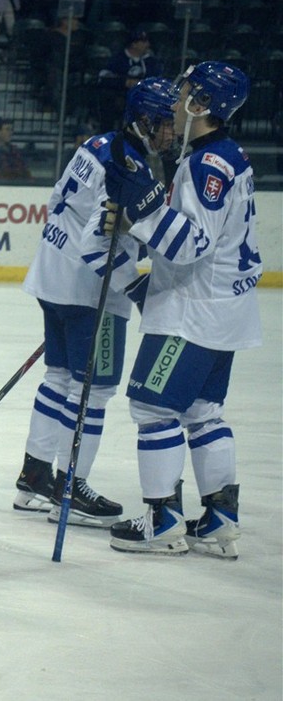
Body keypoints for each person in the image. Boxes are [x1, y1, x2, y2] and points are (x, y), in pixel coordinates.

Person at [106, 62, 257, 558]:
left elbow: (191, 243)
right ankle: (219, 516)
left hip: (192, 312)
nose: (174, 101)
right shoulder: (228, 156)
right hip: (225, 311)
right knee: (202, 412)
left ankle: (162, 519)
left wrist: (143, 208)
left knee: (152, 407)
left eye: (184, 93)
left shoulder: (204, 164)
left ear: (202, 105)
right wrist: (136, 222)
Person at [13, 77, 178, 528]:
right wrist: (137, 287)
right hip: (92, 294)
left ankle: (35, 475)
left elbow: (56, 203)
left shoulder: (95, 144)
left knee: (60, 379)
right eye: (165, 124)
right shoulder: (126, 166)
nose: (172, 133)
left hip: (52, 277)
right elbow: (95, 244)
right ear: (144, 121)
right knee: (94, 391)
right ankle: (71, 487)